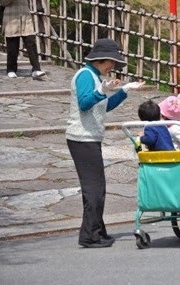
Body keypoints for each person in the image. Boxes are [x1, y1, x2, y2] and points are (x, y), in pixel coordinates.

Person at [66, 38, 144, 248]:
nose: (113, 67)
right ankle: (90, 236)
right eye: (112, 62)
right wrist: (101, 90)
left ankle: (98, 232)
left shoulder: (95, 77)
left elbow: (104, 106)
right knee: (94, 189)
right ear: (102, 59)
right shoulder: (85, 75)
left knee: (96, 188)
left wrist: (125, 90)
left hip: (89, 137)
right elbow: (84, 104)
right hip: (81, 138)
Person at [1, 0, 46, 78]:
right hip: (11, 17)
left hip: (25, 16)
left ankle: (36, 69)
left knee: (31, 42)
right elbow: (3, 3)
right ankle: (11, 69)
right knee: (12, 44)